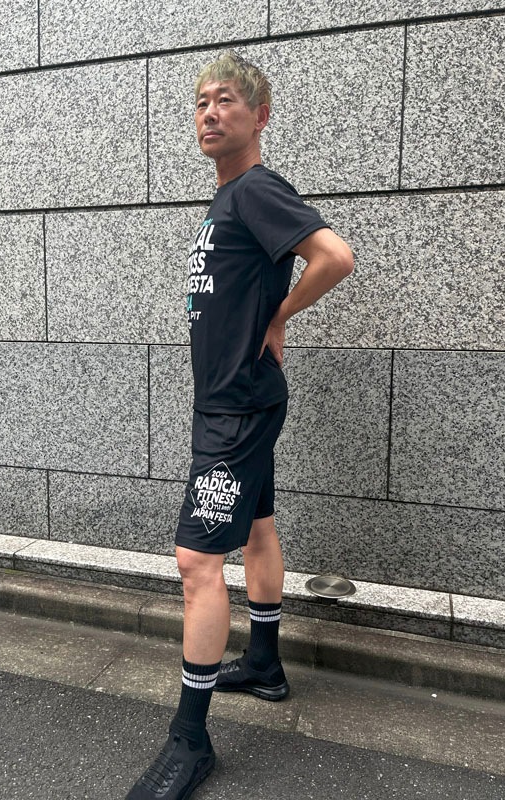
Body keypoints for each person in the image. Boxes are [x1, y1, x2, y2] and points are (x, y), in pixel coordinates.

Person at [125, 51, 354, 800]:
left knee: (197, 561)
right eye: (200, 103)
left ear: (260, 115)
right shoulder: (229, 198)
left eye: (225, 100)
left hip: (238, 408)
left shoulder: (255, 189)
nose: (209, 113)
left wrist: (279, 318)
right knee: (256, 528)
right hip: (236, 401)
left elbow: (334, 257)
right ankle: (263, 664)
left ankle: (189, 742)